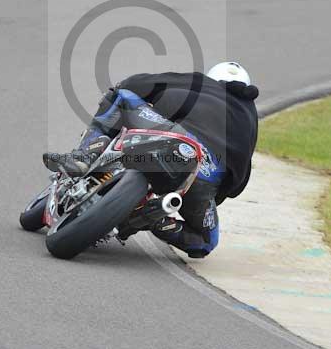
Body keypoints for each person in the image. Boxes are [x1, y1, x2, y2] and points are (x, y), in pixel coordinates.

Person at [43, 62, 259, 258]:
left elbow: (142, 83)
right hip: (205, 171)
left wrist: (125, 87)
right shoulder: (250, 118)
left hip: (170, 136)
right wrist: (208, 194)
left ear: (213, 77)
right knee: (205, 242)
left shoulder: (201, 83)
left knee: (121, 96)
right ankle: (156, 219)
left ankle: (85, 156)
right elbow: (239, 180)